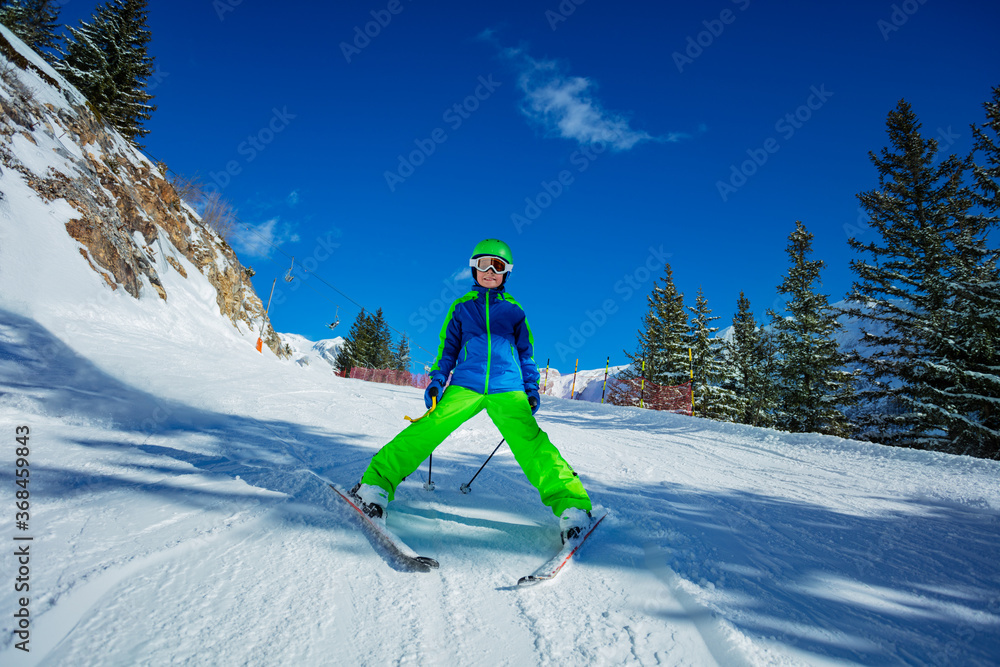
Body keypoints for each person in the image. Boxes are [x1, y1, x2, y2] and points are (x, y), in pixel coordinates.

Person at [351, 239, 593, 542]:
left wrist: (531, 388)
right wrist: (438, 379)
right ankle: (375, 485)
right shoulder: (462, 307)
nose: (490, 271)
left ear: (507, 273)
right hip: (466, 383)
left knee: (532, 444)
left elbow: (526, 354)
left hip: (508, 387)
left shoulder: (515, 311)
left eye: (498, 266)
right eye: (483, 265)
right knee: (427, 428)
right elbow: (447, 349)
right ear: (473, 269)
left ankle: (572, 505)